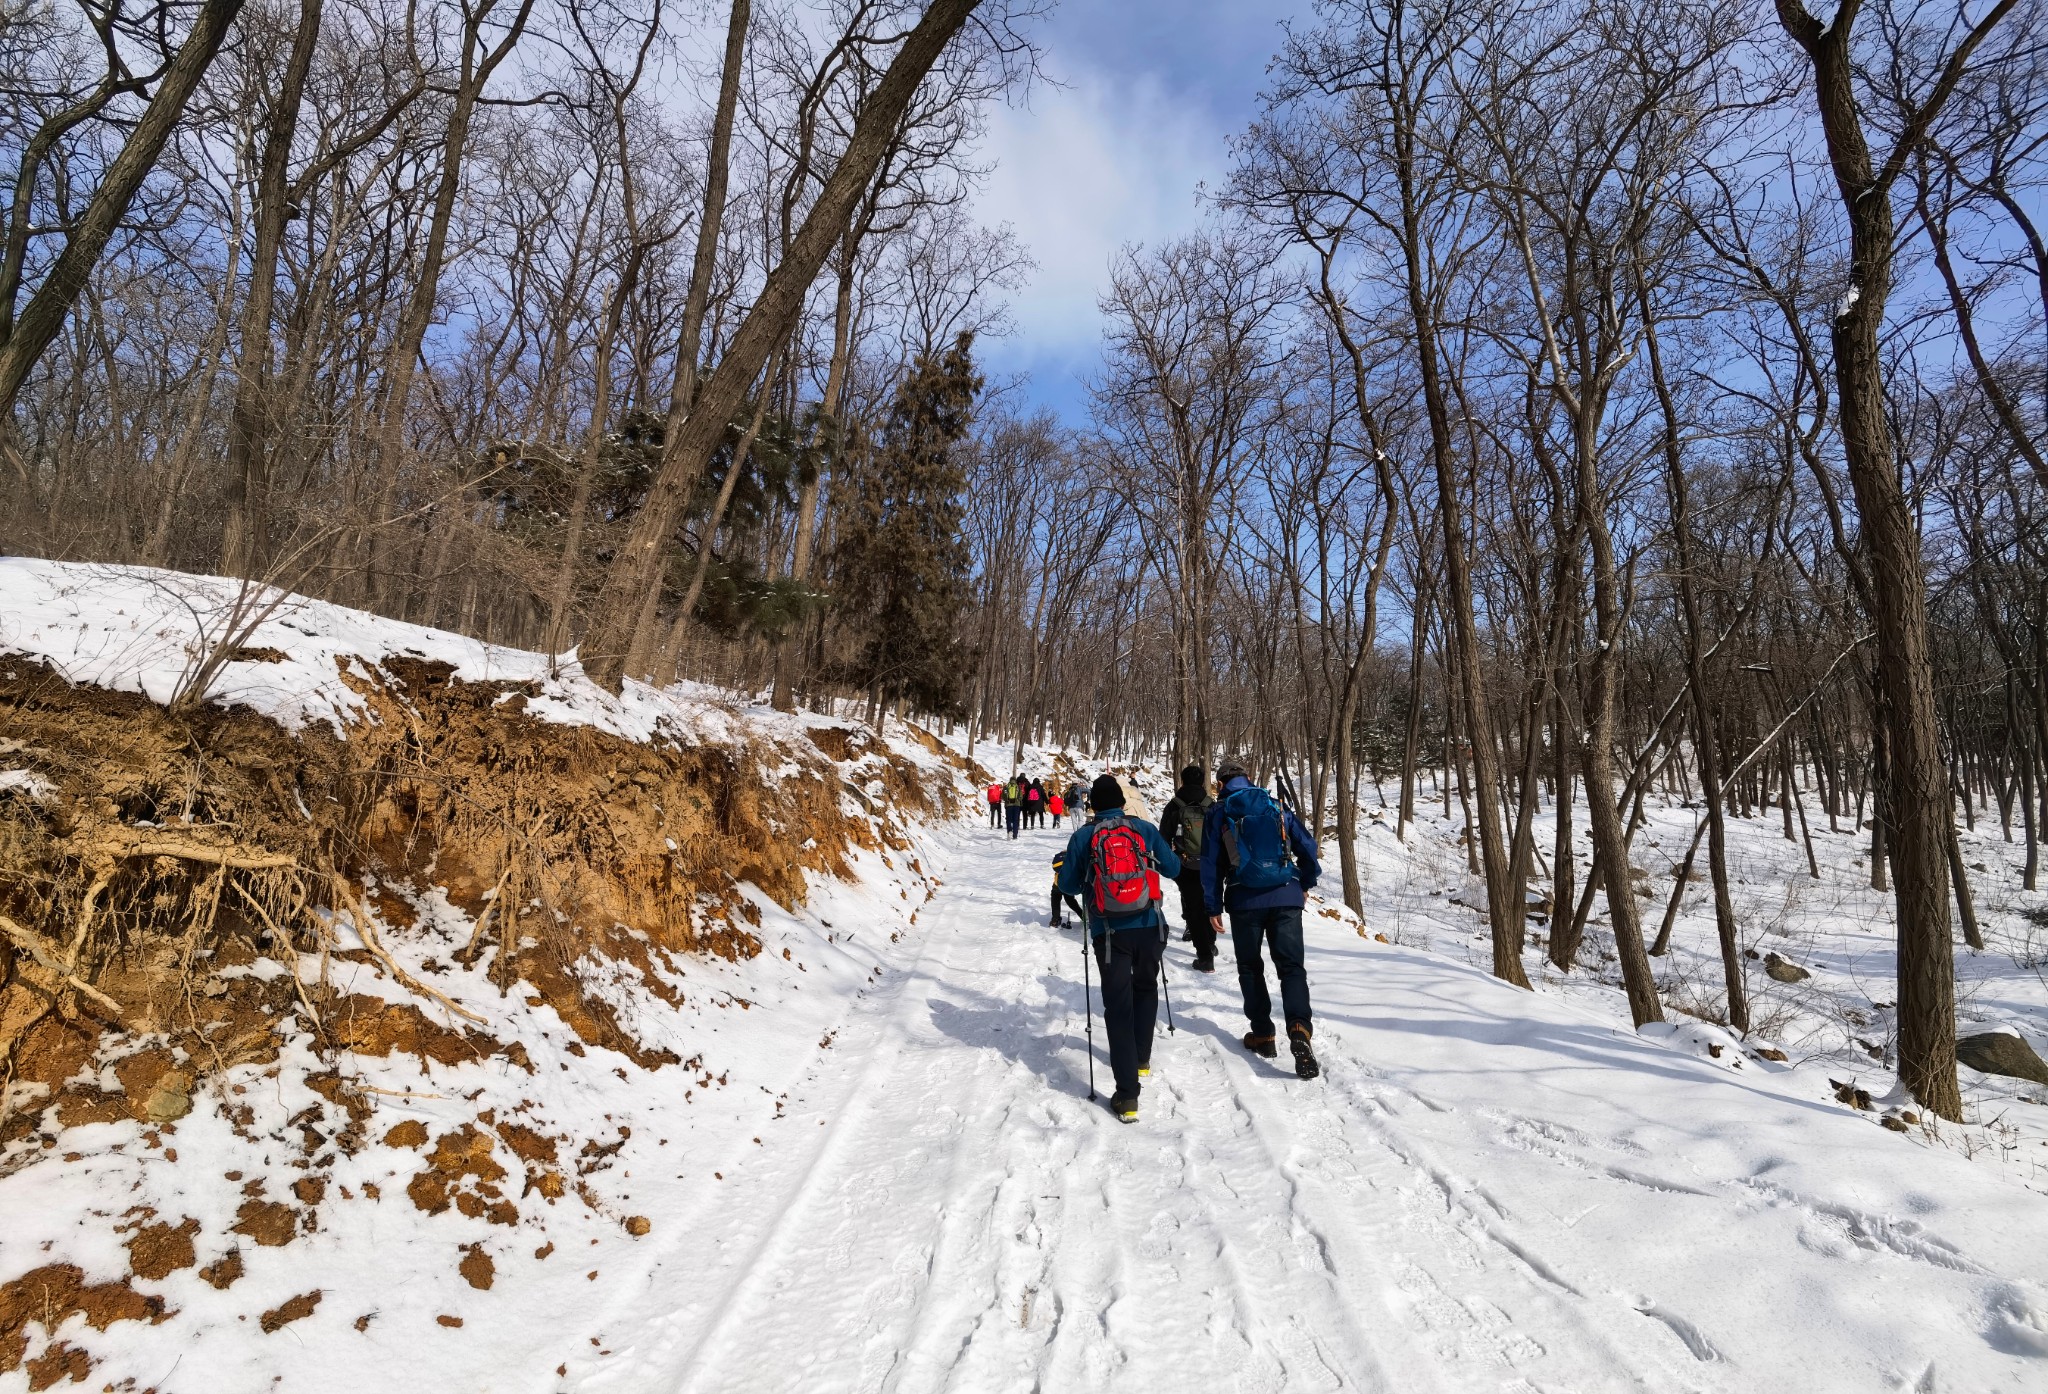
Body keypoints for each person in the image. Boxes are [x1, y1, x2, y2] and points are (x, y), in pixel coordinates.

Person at [1058, 774, 1181, 1122]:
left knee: (1117, 1005)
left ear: (1093, 805)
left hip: (1109, 932)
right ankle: (1142, 1059)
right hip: (1150, 925)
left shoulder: (1084, 835)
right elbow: (1172, 868)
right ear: (1123, 803)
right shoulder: (1142, 829)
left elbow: (1068, 883)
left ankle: (1127, 1097)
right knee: (1146, 987)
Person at [1201, 757, 1322, 1080]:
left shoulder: (1219, 811)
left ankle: (1264, 1034)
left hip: (1244, 899)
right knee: (1291, 967)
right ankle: (1299, 1029)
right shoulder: (1274, 804)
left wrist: (1212, 906)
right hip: (1285, 894)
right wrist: (1305, 883)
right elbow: (1307, 846)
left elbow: (1210, 863)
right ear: (1250, 778)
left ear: (1221, 784)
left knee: (1250, 968)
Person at [1158, 764, 1217, 972]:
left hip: (1185, 863)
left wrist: (1172, 861)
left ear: (1182, 781)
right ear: (1202, 782)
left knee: (1193, 909)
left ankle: (1205, 956)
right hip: (1211, 864)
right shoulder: (1211, 804)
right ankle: (1210, 942)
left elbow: (1163, 837)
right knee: (1209, 903)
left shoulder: (1175, 805)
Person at [1048, 850, 1085, 928]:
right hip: (1069, 883)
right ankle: (1083, 915)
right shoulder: (1074, 856)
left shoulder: (1059, 856)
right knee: (1070, 900)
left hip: (1058, 883)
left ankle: (1055, 920)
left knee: (1055, 899)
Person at [1003, 774, 1025, 839]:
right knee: (1015, 820)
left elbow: (1003, 796)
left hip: (1008, 805)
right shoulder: (1018, 787)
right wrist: (1018, 800)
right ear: (1015, 781)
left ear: (1010, 780)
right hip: (1016, 805)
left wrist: (1007, 800)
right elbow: (1021, 796)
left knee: (1009, 819)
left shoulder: (1006, 787)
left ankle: (1009, 831)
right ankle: (1015, 835)